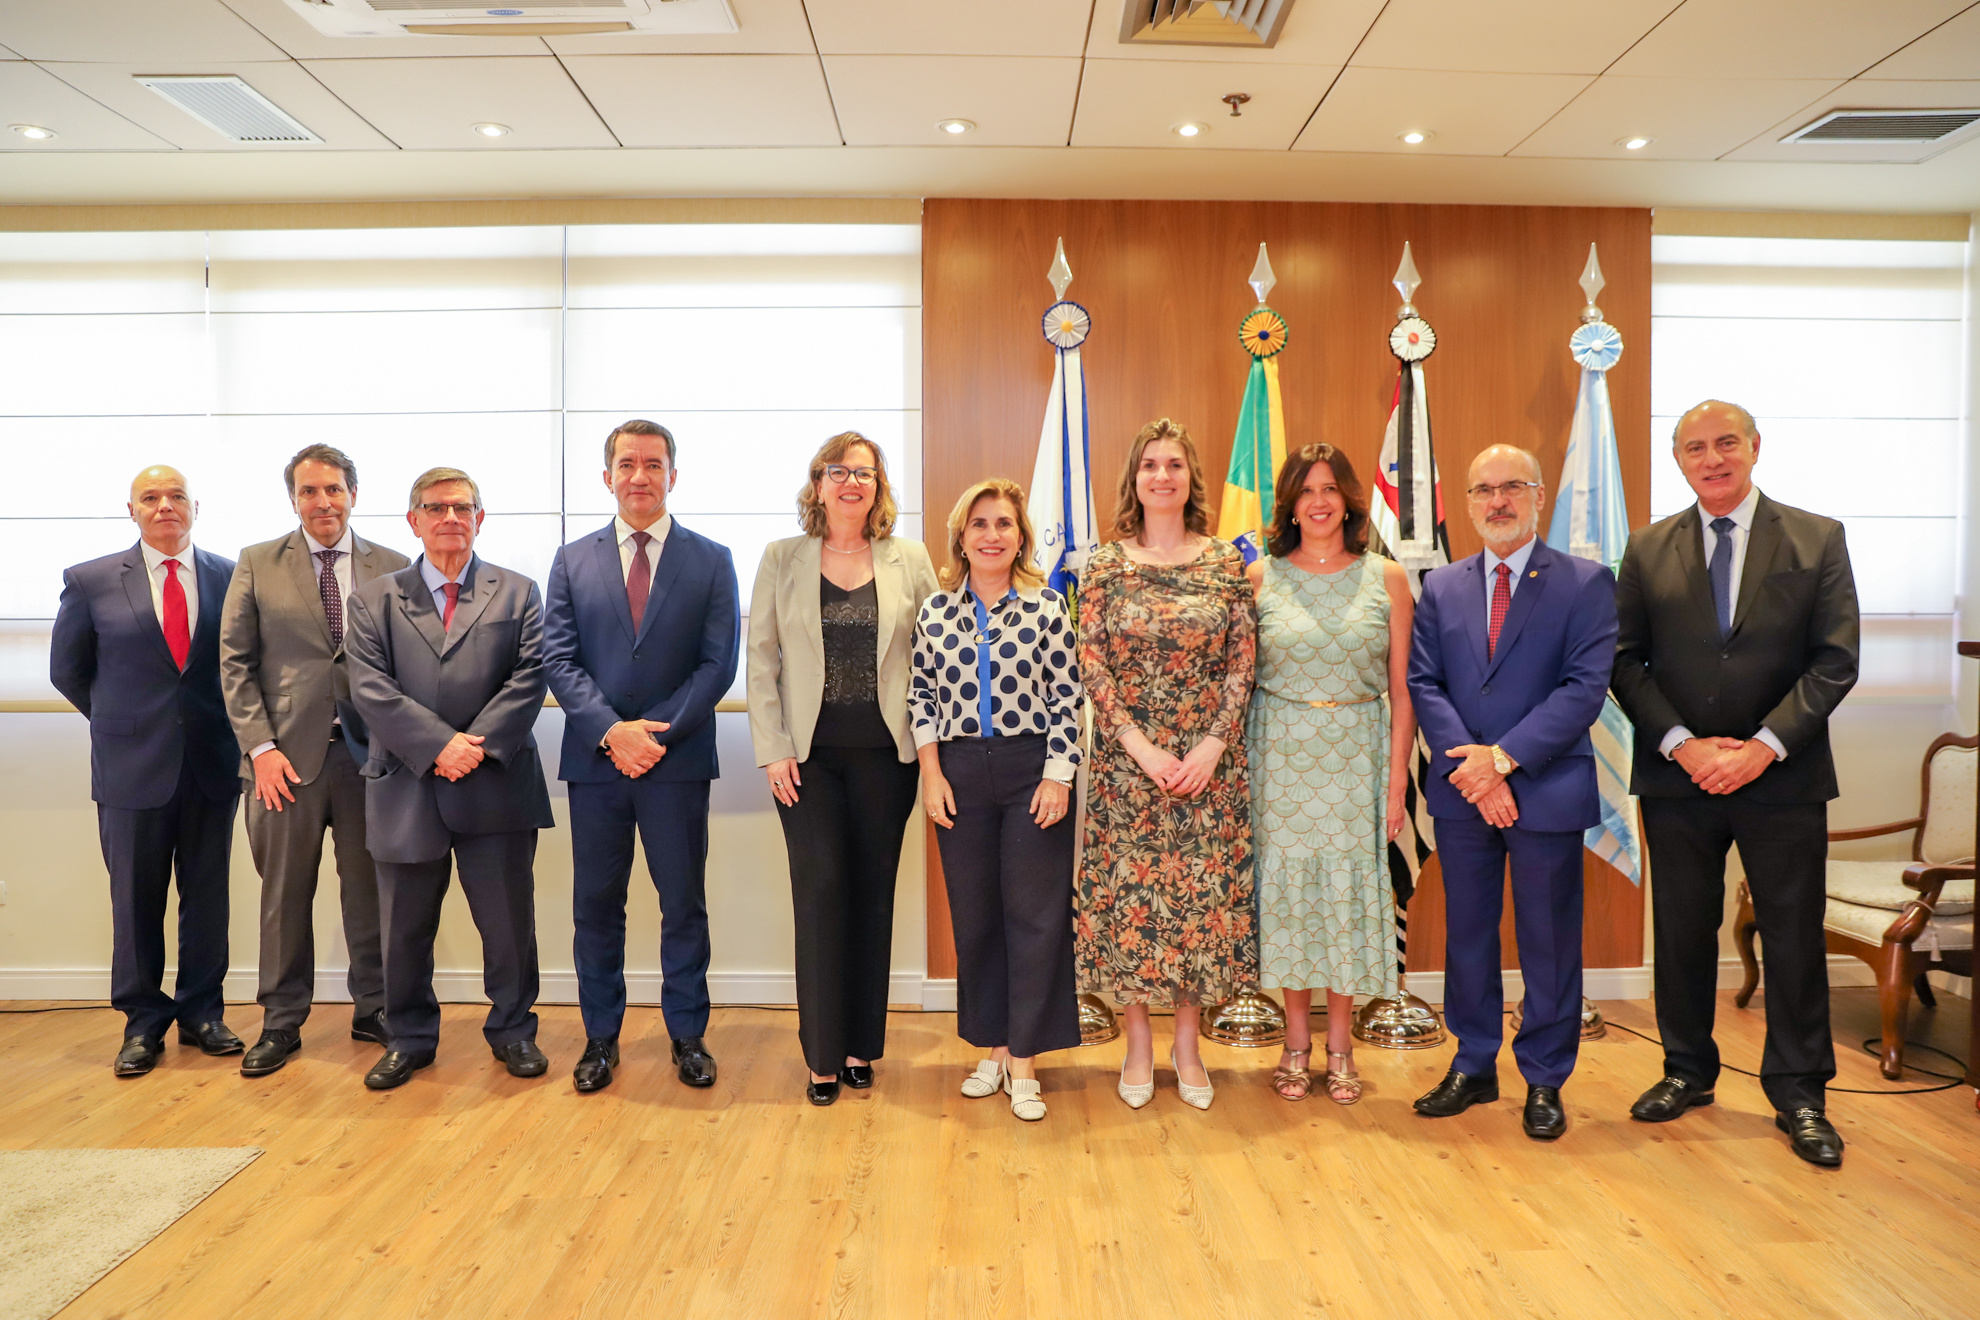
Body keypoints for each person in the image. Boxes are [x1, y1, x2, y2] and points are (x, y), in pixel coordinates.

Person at [1613, 400, 1859, 1167]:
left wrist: (1761, 748)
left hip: (1781, 777)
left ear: (1755, 447)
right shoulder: (1649, 548)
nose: (1712, 458)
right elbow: (1624, 661)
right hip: (1679, 777)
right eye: (1695, 448)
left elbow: (1835, 660)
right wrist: (1686, 746)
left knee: (1792, 936)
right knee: (1682, 930)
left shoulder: (1817, 538)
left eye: (1726, 443)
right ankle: (1686, 1071)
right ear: (1679, 461)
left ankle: (1800, 1094)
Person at [1406, 444, 1616, 1141]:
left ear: (1539, 494)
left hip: (1545, 786)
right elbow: (1424, 683)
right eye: (1483, 489)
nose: (1498, 501)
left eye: (1512, 487)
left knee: (1548, 940)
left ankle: (1546, 1077)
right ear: (1466, 503)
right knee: (1467, 933)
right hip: (1464, 791)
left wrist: (1503, 760)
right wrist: (1477, 770)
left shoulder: (1584, 583)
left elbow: (1584, 689)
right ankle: (1473, 1064)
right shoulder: (1441, 586)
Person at [544, 420, 740, 1095]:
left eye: (652, 464)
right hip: (596, 766)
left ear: (672, 476)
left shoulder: (711, 559)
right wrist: (611, 731)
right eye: (626, 463)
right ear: (607, 477)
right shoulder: (572, 560)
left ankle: (687, 1035)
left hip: (676, 763)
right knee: (596, 906)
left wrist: (655, 735)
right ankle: (601, 1038)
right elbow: (559, 660)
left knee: (682, 903)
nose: (639, 475)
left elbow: (718, 664)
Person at [344, 467, 555, 1091]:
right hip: (405, 785)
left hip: (496, 781)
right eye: (435, 508)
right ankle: (408, 1038)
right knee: (403, 929)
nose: (450, 518)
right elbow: (369, 689)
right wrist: (439, 746)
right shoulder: (373, 599)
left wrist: (470, 748)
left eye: (463, 507)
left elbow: (530, 676)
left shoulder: (517, 592)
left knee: (509, 926)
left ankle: (514, 1032)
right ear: (413, 521)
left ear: (480, 518)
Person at [747, 432, 939, 1106]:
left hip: (890, 759)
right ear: (818, 483)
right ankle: (822, 1055)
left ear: (878, 485)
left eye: (865, 471)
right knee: (823, 892)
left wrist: (934, 749)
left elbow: (933, 658)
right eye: (839, 471)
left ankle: (861, 1047)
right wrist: (772, 747)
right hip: (807, 762)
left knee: (871, 896)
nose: (852, 482)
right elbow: (762, 660)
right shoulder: (782, 558)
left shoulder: (909, 559)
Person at [1075, 419, 1257, 1112]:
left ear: (1190, 478)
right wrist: (1141, 748)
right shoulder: (1103, 565)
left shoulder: (1224, 563)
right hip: (1129, 768)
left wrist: (1210, 744)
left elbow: (1244, 664)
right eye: (1149, 464)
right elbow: (1092, 663)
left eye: (1174, 464)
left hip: (1209, 766)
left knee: (1195, 908)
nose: (1161, 475)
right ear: (1134, 479)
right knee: (1130, 907)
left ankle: (1188, 1044)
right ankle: (1138, 1043)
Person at [219, 444, 411, 1077]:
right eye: (309, 491)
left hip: (371, 760)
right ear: (293, 499)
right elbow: (236, 664)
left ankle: (375, 1008)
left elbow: (410, 662)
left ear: (354, 493)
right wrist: (261, 749)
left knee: (371, 892)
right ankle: (280, 1022)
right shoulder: (257, 563)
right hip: (282, 765)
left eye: (333, 489)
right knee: (283, 896)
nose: (322, 502)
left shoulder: (393, 565)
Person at [50, 465, 243, 1076]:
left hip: (211, 763)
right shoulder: (92, 580)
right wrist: (120, 721)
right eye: (151, 498)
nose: (165, 506)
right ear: (131, 510)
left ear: (195, 507)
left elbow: (242, 669)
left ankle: (202, 1013)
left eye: (177, 496)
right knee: (135, 899)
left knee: (207, 895)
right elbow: (68, 671)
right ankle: (141, 1022)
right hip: (130, 767)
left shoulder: (230, 577)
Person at [1245, 445, 1416, 1105]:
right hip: (1279, 754)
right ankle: (1295, 1041)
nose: (1318, 501)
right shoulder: (1260, 577)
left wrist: (1397, 778)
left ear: (1348, 498)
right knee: (1291, 899)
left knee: (1344, 897)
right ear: (1290, 503)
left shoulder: (1386, 578)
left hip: (1357, 752)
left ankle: (1340, 1044)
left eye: (1329, 489)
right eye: (1305, 490)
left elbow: (1403, 692)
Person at [911, 478, 1083, 1122]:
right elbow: (919, 698)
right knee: (977, 917)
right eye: (979, 524)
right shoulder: (935, 611)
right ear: (961, 535)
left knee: (1035, 918)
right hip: (957, 771)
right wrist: (931, 773)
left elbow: (1069, 699)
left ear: (1021, 538)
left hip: (1029, 769)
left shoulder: (1046, 610)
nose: (991, 535)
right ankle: (994, 1046)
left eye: (1004, 524)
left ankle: (1026, 1064)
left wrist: (1058, 777)